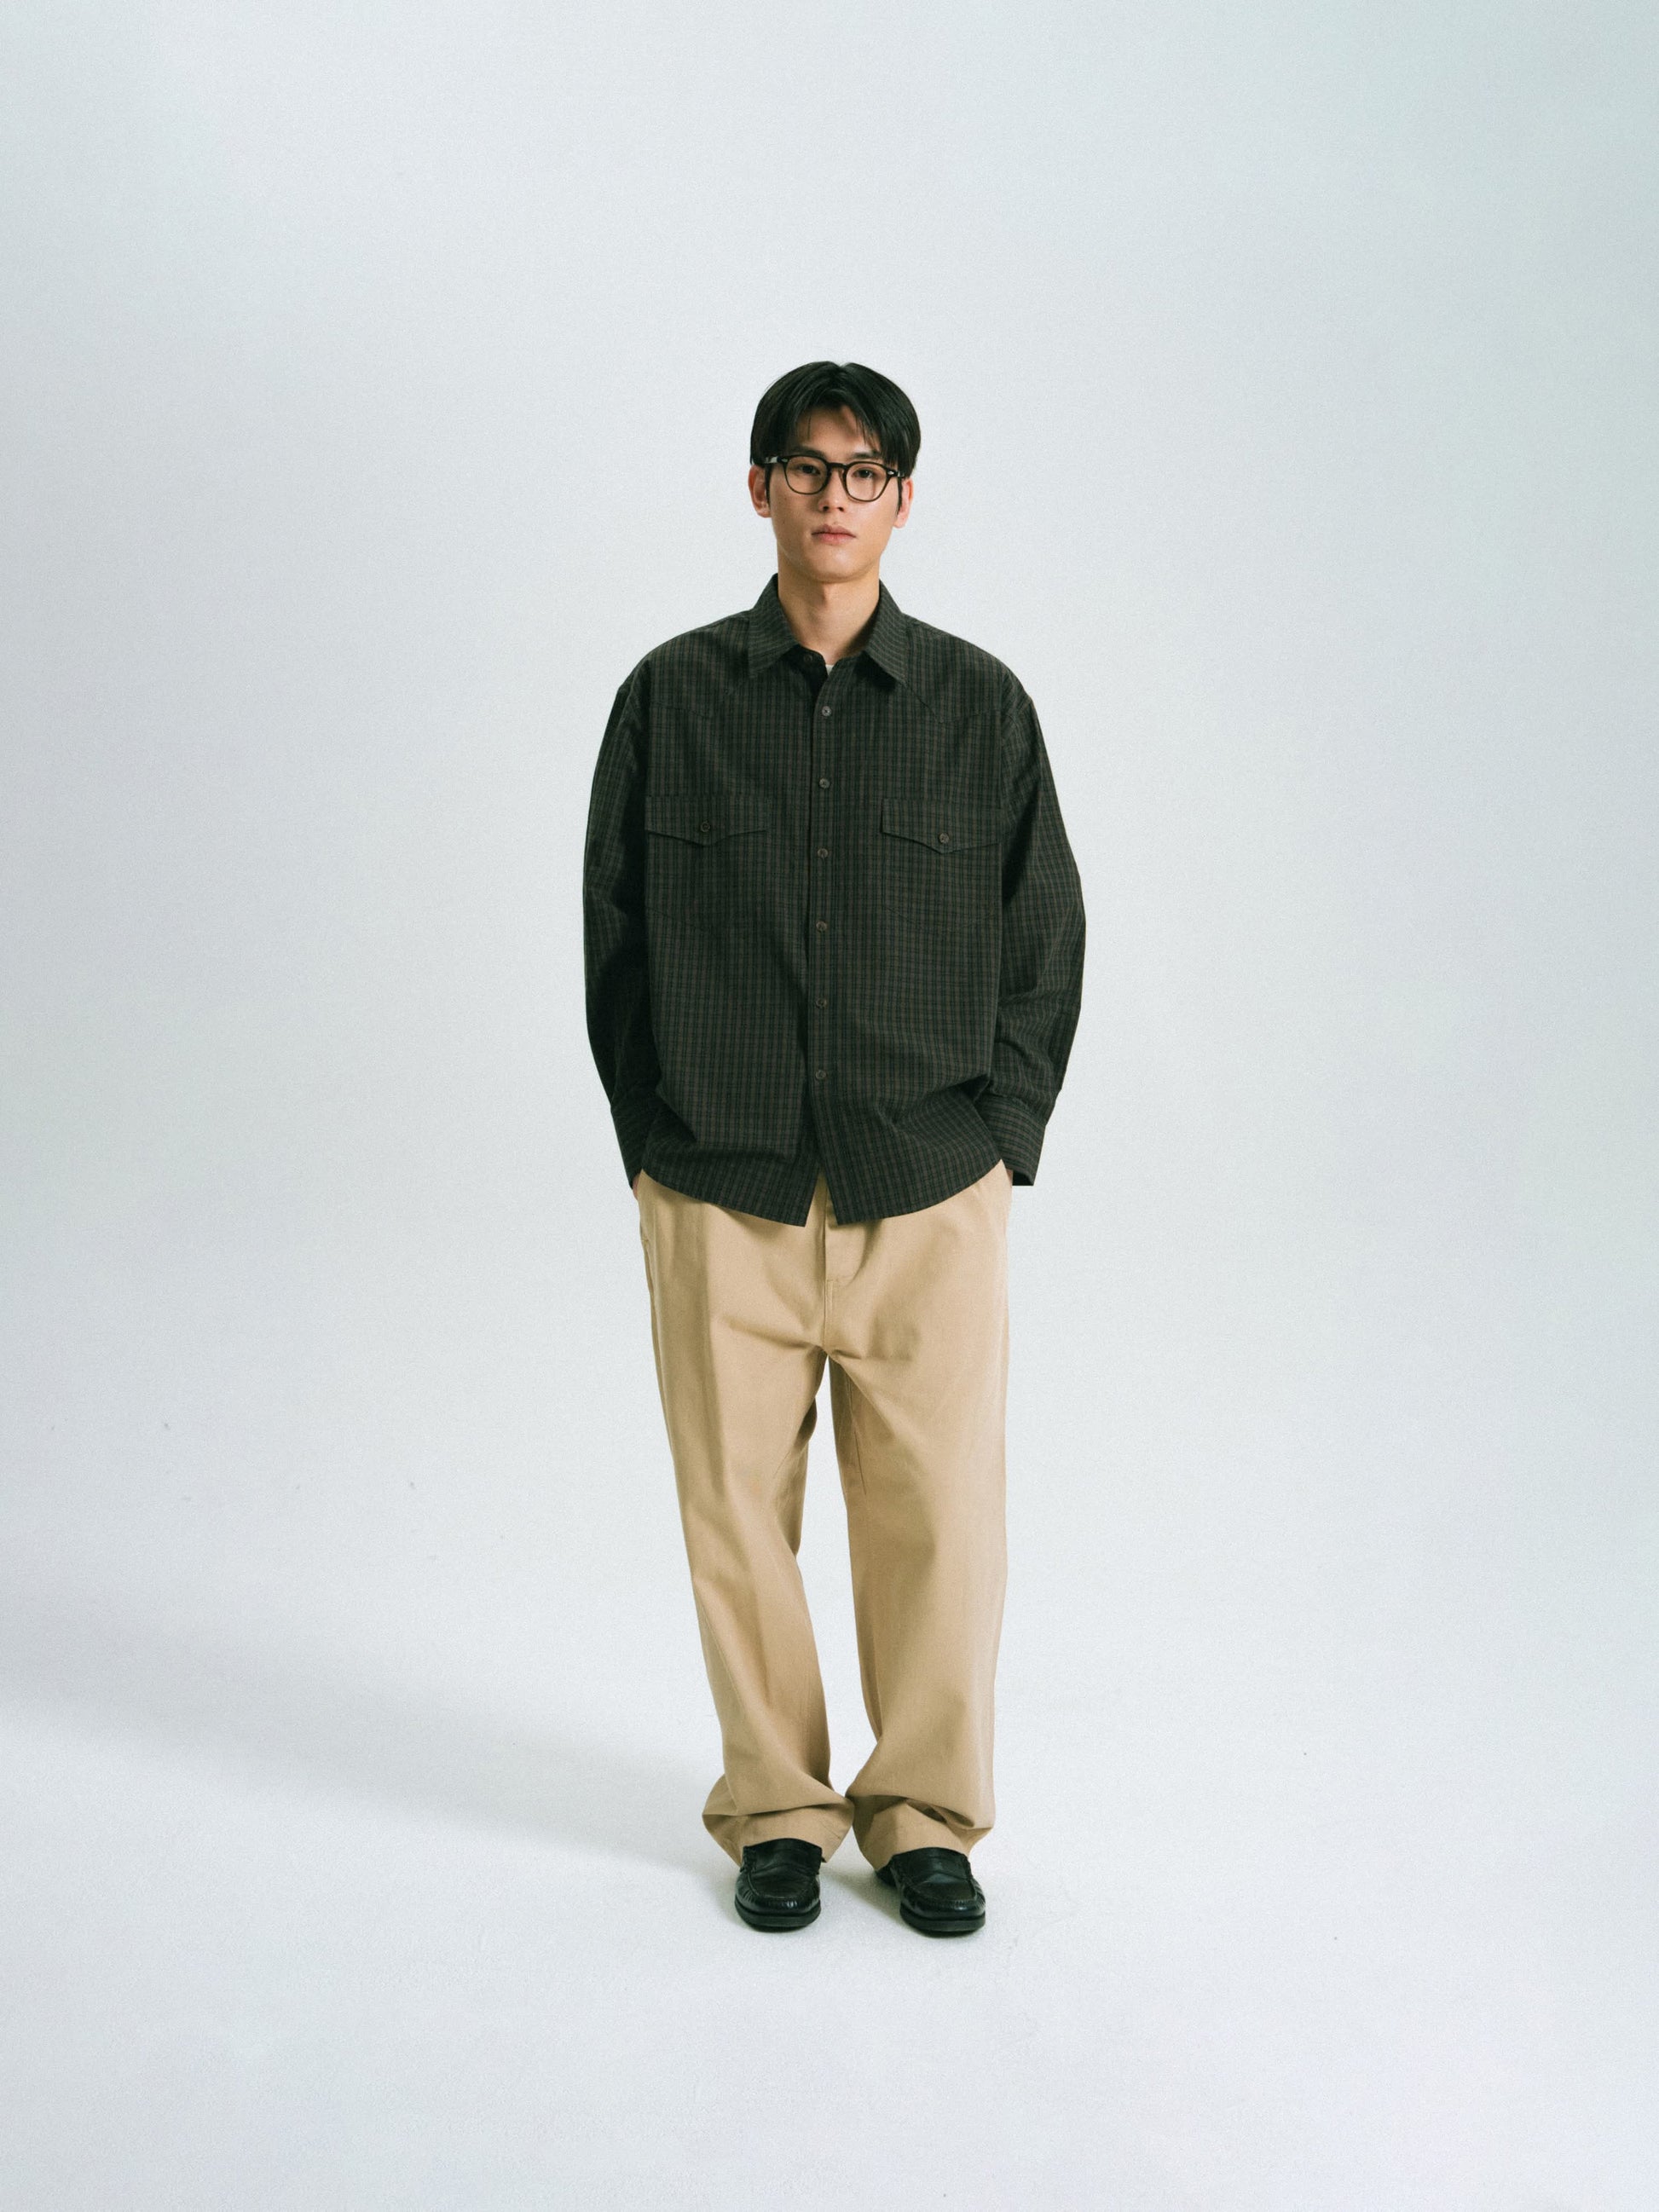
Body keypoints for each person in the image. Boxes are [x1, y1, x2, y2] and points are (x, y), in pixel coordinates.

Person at [582, 361, 1084, 1936]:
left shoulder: (979, 707)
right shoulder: (669, 699)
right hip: (719, 1185)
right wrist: (653, 1143)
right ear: (760, 489)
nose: (834, 497)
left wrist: (999, 1140)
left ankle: (923, 1816)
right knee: (733, 1519)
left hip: (923, 1186)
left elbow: (1042, 935)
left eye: (865, 471)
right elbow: (613, 943)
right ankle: (778, 1811)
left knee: (940, 1520)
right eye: (805, 468)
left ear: (903, 500)